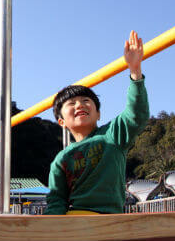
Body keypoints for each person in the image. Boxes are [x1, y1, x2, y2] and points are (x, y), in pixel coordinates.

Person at [44, 30, 149, 215]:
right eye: (71, 103)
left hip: (108, 219)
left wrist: (135, 70)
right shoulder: (61, 160)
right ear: (61, 121)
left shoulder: (112, 135)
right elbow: (56, 200)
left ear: (98, 114)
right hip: (75, 218)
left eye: (86, 101)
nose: (79, 105)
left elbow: (136, 114)